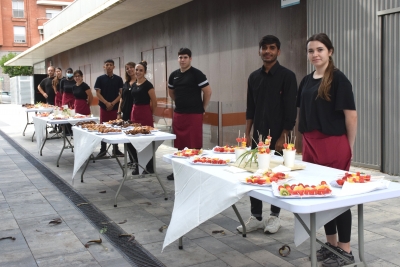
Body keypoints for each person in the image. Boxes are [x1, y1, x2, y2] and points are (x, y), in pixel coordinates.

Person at [297, 33, 357, 267]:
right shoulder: (306, 80)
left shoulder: (339, 79)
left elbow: (351, 116)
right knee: (321, 196)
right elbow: (303, 113)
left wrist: (347, 148)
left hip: (333, 143)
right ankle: (331, 245)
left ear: (330, 51)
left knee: (338, 198)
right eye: (311, 51)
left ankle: (345, 250)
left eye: (320, 50)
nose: (315, 55)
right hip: (311, 143)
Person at [236, 35, 297, 235]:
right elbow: (250, 107)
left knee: (276, 176)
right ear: (259, 51)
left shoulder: (287, 76)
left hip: (279, 138)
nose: (267, 51)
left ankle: (274, 217)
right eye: (264, 48)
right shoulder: (253, 77)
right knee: (256, 175)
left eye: (272, 48)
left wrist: (284, 135)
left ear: (278, 51)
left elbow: (291, 109)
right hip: (257, 138)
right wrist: (247, 133)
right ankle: (256, 217)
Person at [167, 48, 212, 180]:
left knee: (194, 144)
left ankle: (195, 172)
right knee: (180, 144)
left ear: (190, 59)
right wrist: (180, 102)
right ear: (178, 59)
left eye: (185, 57)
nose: (182, 60)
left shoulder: (197, 74)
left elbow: (208, 92)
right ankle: (179, 170)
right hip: (179, 114)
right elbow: (171, 92)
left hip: (194, 114)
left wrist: (202, 107)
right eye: (180, 57)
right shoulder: (173, 75)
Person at [130, 61, 158, 174]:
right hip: (134, 112)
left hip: (145, 112)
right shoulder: (133, 85)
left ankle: (150, 166)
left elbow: (154, 102)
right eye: (137, 70)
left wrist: (151, 114)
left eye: (141, 70)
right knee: (135, 140)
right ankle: (138, 165)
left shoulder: (148, 85)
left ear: (145, 72)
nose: (138, 72)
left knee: (147, 140)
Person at [94, 59, 124, 157]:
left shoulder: (118, 79)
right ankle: (103, 150)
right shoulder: (100, 79)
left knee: (115, 127)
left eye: (111, 65)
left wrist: (113, 103)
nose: (109, 66)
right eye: (107, 65)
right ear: (104, 67)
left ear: (114, 67)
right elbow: (97, 93)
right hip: (103, 107)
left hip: (115, 108)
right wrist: (106, 103)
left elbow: (121, 94)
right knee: (103, 128)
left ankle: (116, 149)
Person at [117, 62, 137, 168]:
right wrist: (119, 112)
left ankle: (137, 160)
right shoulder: (126, 83)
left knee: (134, 137)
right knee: (127, 137)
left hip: (134, 113)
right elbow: (121, 98)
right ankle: (131, 159)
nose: (129, 70)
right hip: (125, 113)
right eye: (127, 68)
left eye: (131, 68)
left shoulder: (139, 83)